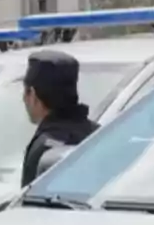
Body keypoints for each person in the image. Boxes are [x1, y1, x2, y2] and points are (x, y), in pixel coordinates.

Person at [20, 50, 99, 186]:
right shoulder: (101, 135)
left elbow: (29, 204)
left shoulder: (44, 149)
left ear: (32, 95)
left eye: (25, 91)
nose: (23, 98)